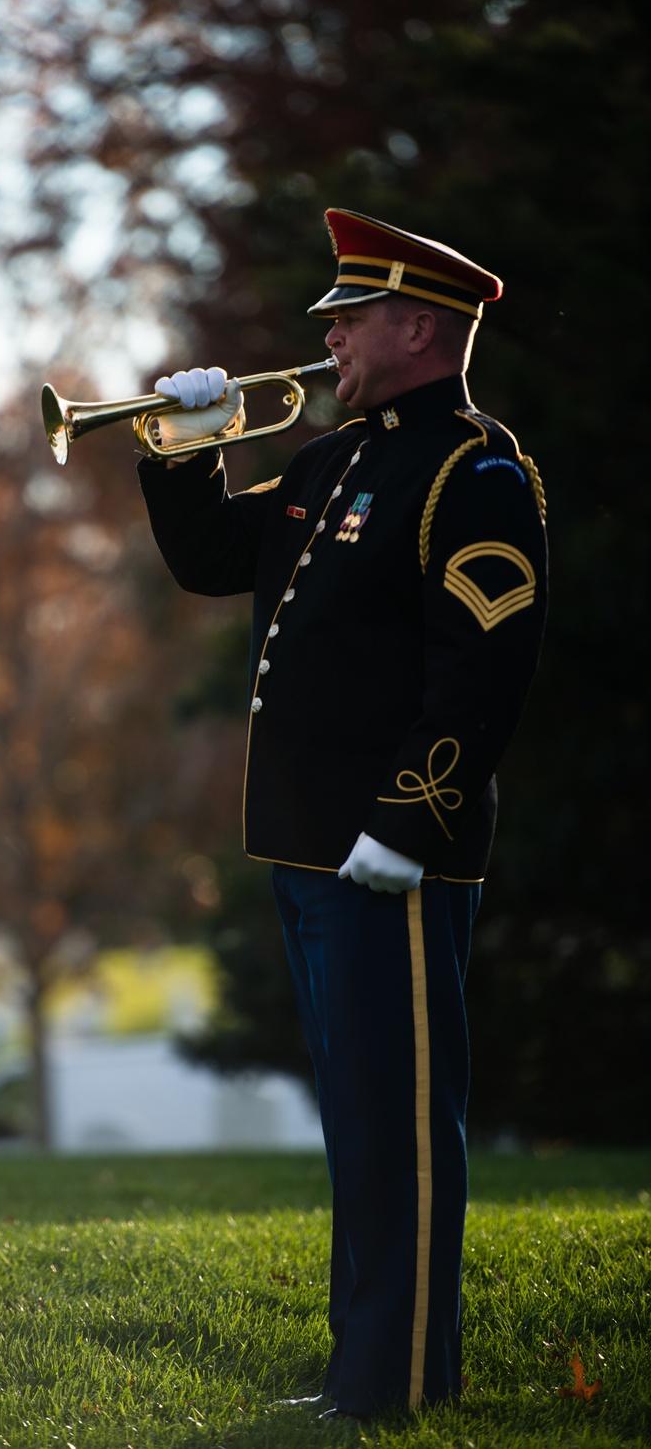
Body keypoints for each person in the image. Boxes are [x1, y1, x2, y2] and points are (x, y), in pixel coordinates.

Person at [136, 209, 547, 1419]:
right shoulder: (333, 462)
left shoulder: (472, 468)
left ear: (418, 325)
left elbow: (485, 665)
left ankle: (398, 1385)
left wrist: (410, 824)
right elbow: (215, 557)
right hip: (309, 847)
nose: (327, 339)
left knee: (403, 1132)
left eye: (348, 318)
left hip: (389, 855)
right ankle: (359, 1381)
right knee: (359, 1130)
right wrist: (182, 448)